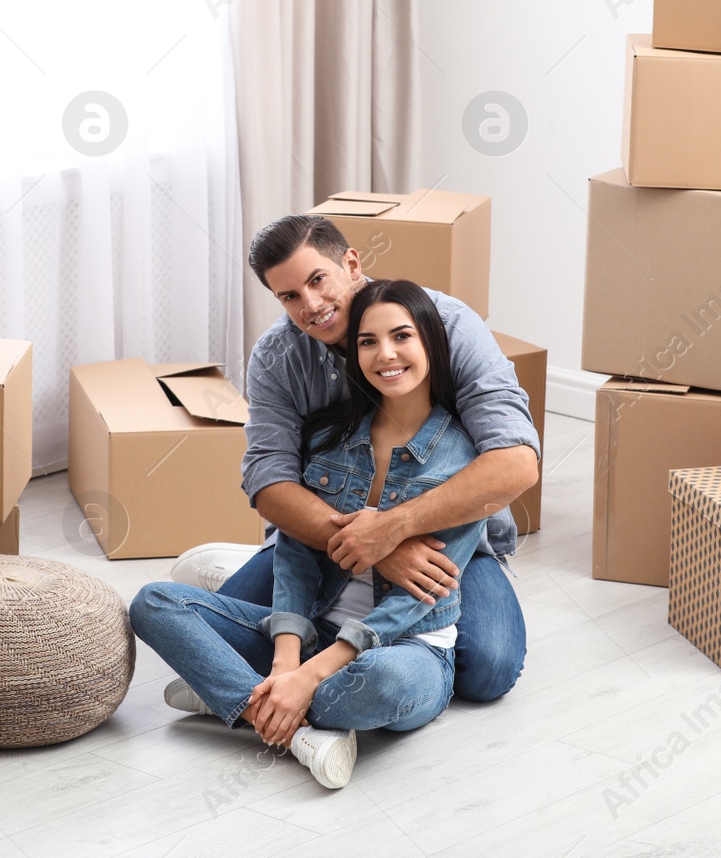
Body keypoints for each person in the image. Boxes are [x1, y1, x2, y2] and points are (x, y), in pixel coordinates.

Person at [130, 280, 493, 788]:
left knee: (384, 683)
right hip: (315, 628)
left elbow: (420, 597)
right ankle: (299, 731)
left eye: (402, 336)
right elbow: (299, 550)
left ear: (430, 341)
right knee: (153, 602)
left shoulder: (466, 458)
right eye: (367, 342)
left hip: (407, 647)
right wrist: (287, 660)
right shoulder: (330, 436)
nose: (385, 354)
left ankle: (235, 696)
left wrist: (310, 675)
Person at [178, 215, 537, 701]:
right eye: (289, 297)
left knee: (486, 673)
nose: (311, 306)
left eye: (317, 280)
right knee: (213, 631)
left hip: (448, 540)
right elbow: (269, 482)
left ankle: (334, 665)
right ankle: (293, 625)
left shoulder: (443, 323)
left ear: (350, 263)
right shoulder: (277, 356)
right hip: (316, 538)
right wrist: (374, 547)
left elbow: (516, 461)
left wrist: (393, 530)